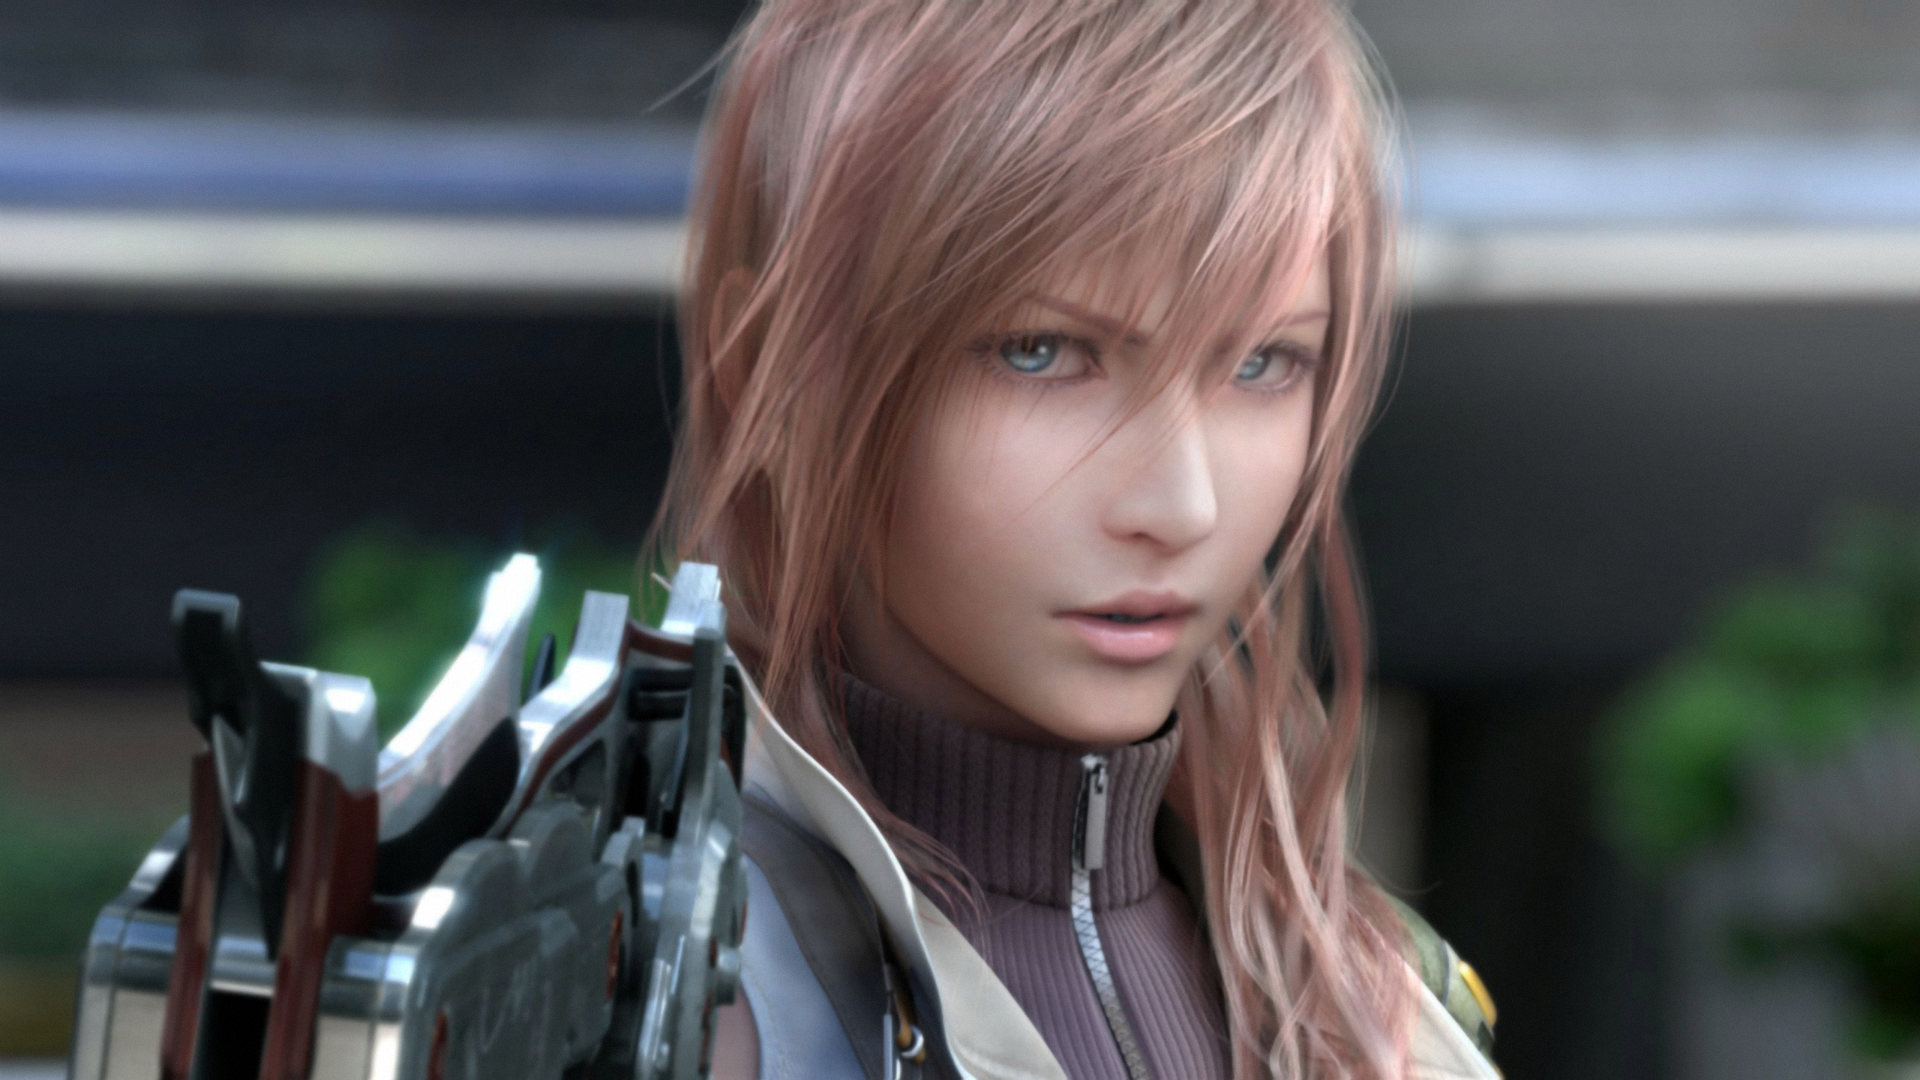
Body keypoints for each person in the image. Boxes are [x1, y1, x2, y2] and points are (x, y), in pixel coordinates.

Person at [645, 0, 1500, 1077]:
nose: (1182, 506)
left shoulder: (1385, 1010)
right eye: (1041, 352)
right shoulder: (645, 994)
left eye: (1261, 363)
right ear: (768, 368)